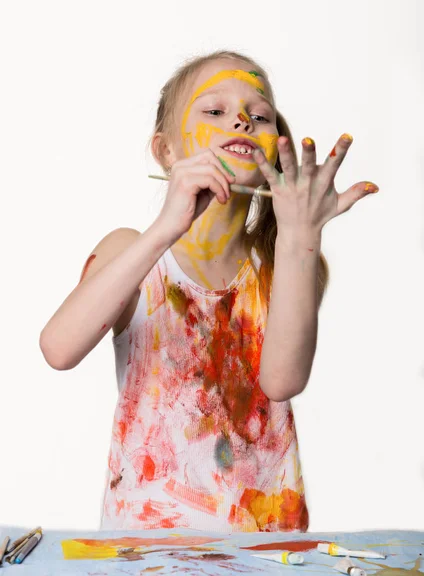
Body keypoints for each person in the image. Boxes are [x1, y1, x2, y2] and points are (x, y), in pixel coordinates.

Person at [39, 49, 379, 532]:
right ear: (166, 151)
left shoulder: (282, 264)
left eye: (258, 115)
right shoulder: (132, 253)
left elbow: (282, 381)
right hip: (148, 550)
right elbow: (58, 348)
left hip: (266, 549)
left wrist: (302, 237)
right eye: (214, 110)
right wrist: (164, 229)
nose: (241, 121)